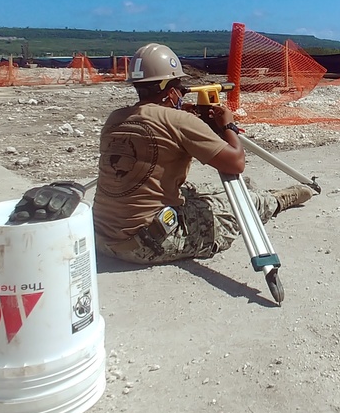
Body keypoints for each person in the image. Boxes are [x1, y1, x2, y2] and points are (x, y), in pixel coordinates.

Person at [92, 43, 316, 265]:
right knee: (237, 206)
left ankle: (251, 190)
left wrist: (185, 117)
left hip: (102, 238)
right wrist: (228, 126)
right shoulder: (179, 121)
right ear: (171, 91)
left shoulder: (116, 118)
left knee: (198, 192)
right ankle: (274, 201)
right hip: (145, 244)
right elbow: (235, 163)